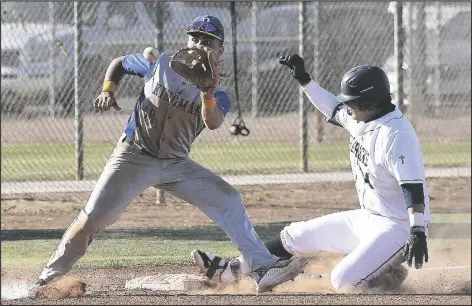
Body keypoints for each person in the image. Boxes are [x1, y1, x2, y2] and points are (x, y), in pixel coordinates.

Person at [32, 17, 307, 295]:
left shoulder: (219, 95)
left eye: (208, 41)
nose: (200, 44)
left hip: (176, 164)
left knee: (229, 199)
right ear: (187, 42)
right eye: (195, 39)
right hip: (133, 156)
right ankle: (46, 279)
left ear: (220, 50)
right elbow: (119, 63)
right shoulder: (159, 65)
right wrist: (108, 91)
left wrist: (207, 92)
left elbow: (212, 122)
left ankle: (262, 268)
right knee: (92, 220)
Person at [191, 54, 431, 292]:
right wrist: (305, 80)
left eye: (351, 102)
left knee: (344, 281)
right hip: (370, 217)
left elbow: (412, 186)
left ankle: (389, 277)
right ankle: (231, 270)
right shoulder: (362, 116)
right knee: (294, 236)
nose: (346, 107)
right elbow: (332, 106)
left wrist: (417, 231)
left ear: (367, 104)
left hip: (399, 227)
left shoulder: (396, 136)